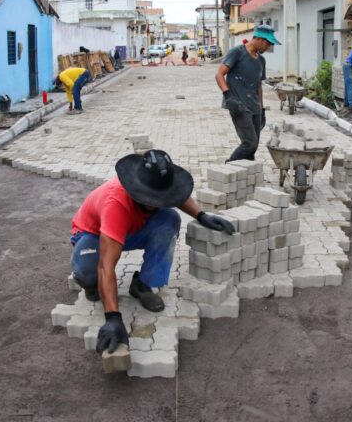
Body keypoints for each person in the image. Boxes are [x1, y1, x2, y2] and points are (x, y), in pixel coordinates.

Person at [70, 150, 235, 354]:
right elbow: (107, 265)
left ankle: (142, 285)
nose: (156, 202)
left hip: (132, 229)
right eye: (152, 198)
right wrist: (113, 317)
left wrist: (201, 216)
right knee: (90, 274)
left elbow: (175, 195)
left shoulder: (157, 187)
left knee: (169, 219)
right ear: (137, 189)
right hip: (93, 234)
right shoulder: (116, 204)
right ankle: (92, 284)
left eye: (160, 198)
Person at [215, 24, 279, 162]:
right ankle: (228, 168)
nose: (268, 48)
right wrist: (228, 97)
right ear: (260, 39)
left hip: (255, 107)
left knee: (252, 148)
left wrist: (261, 109)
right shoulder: (237, 52)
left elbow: (259, 86)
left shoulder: (261, 60)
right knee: (249, 143)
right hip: (238, 105)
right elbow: (219, 74)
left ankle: (247, 175)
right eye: (268, 44)